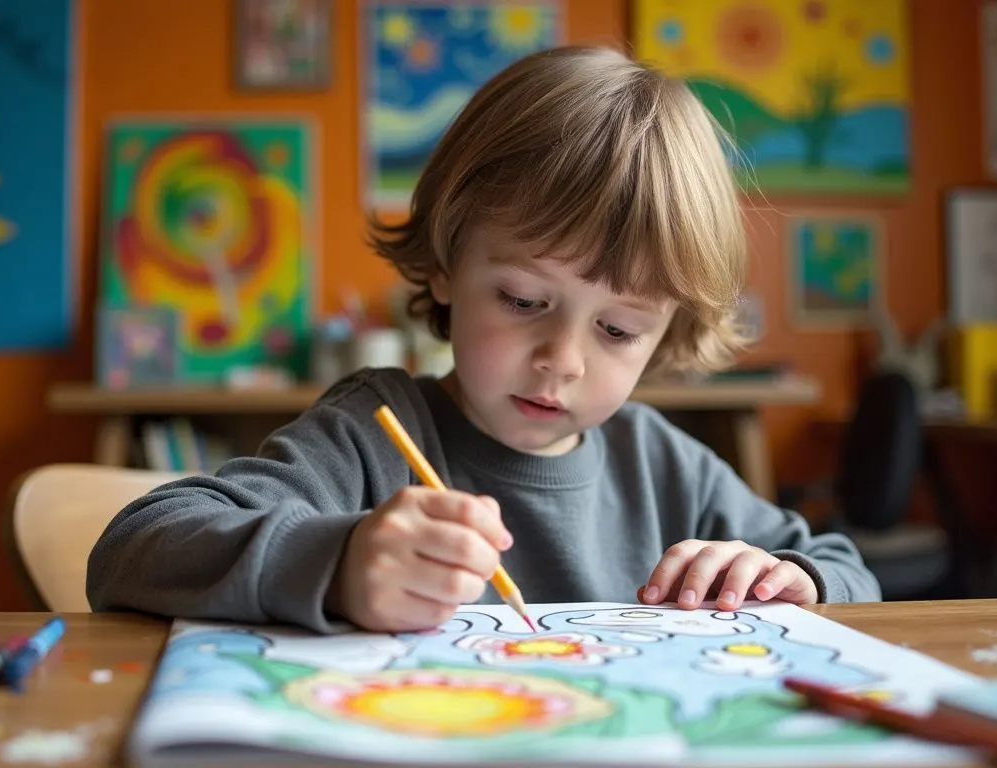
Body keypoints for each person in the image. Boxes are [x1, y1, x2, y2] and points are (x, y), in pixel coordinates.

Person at [86, 45, 881, 633]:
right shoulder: (376, 432)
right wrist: (339, 564)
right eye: (523, 298)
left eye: (618, 328)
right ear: (443, 265)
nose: (562, 361)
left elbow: (852, 574)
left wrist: (793, 578)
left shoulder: (664, 465)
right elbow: (134, 545)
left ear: (667, 330)